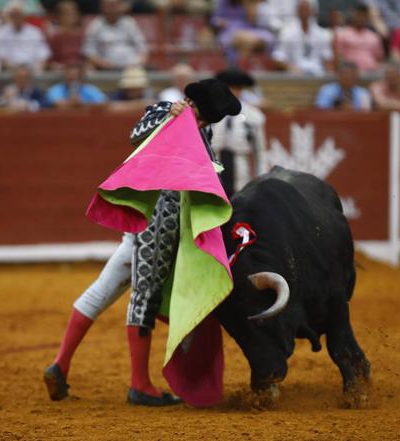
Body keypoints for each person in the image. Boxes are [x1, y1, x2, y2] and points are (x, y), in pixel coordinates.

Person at [44, 78, 241, 406]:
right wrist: (171, 118)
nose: (203, 121)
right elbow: (136, 134)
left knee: (104, 288)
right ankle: (139, 384)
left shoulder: (201, 133)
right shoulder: (167, 111)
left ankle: (59, 365)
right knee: (145, 298)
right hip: (156, 227)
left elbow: (209, 175)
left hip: (153, 226)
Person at [213, 68, 266, 197]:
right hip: (214, 163)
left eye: (236, 88)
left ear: (241, 90)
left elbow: (260, 151)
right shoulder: (209, 111)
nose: (232, 92)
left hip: (240, 163)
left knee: (239, 199)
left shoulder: (253, 115)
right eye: (229, 88)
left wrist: (262, 178)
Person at [271, 0, 333, 76]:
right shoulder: (287, 33)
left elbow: (327, 57)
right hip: (295, 76)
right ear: (296, 11)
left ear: (312, 11)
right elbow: (278, 57)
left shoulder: (321, 34)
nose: (304, 12)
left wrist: (329, 74)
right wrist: (291, 68)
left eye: (307, 9)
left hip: (317, 74)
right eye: (302, 9)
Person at [82, 0, 148, 70]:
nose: (112, 9)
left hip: (132, 68)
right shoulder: (95, 25)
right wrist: (105, 65)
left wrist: (137, 64)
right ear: (102, 8)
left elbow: (142, 49)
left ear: (121, 7)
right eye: (109, 6)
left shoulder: (129, 22)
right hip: (105, 68)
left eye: (115, 6)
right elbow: (88, 52)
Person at [211, 0, 275, 67]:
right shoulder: (223, 2)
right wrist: (222, 22)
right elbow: (214, 20)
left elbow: (253, 22)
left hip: (250, 31)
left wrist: (248, 5)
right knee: (245, 41)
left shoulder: (251, 2)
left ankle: (259, 66)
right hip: (229, 31)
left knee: (268, 38)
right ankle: (241, 68)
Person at [0, 0, 51, 72]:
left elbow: (43, 54)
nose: (16, 17)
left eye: (19, 14)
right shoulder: (1, 33)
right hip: (11, 71)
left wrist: (37, 70)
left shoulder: (35, 32)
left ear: (24, 16)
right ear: (10, 16)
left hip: (32, 71)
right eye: (14, 15)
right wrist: (14, 70)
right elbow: (1, 57)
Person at [334, 2, 384, 74]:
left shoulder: (374, 37)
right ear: (353, 15)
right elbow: (338, 56)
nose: (360, 18)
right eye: (358, 15)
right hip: (350, 74)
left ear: (367, 17)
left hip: (371, 72)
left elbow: (379, 58)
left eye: (363, 16)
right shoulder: (342, 34)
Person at [47, 0, 84, 70]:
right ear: (60, 17)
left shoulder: (82, 35)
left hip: (80, 70)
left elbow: (86, 56)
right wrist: (59, 67)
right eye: (68, 13)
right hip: (62, 72)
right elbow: (51, 61)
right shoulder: (56, 36)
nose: (73, 16)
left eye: (74, 13)